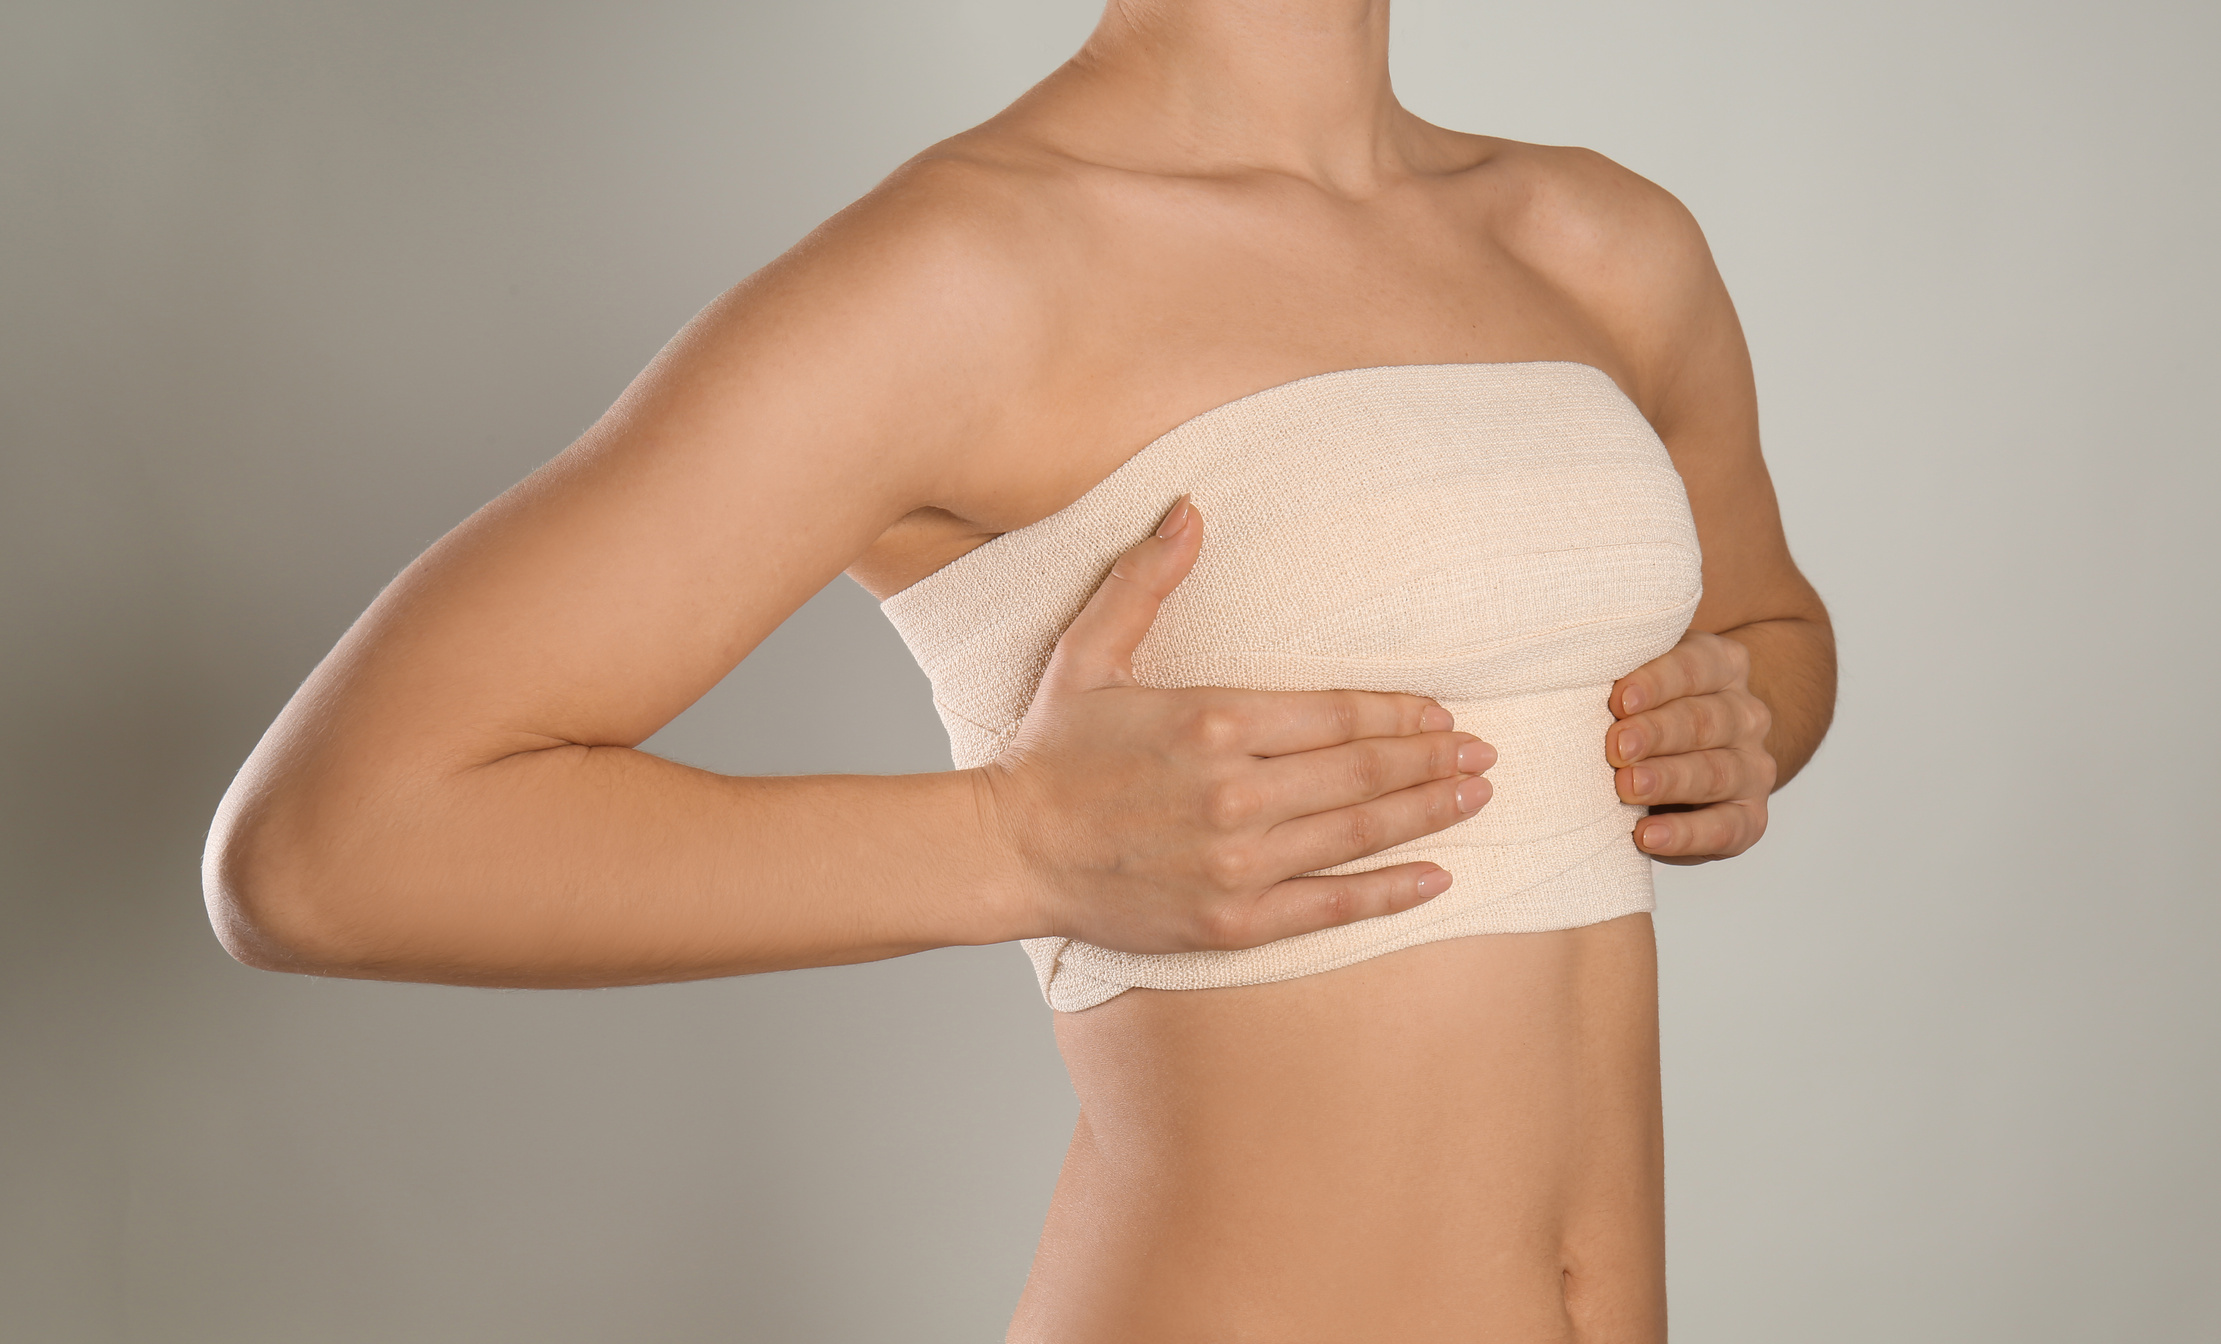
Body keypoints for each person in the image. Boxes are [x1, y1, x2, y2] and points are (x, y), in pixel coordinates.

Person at [204, 0, 1835, 1337]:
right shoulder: (968, 272)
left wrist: (1740, 725)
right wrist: (1016, 845)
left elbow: (1774, 634)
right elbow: (326, 851)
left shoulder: (1606, 243)